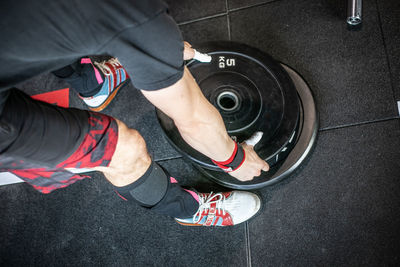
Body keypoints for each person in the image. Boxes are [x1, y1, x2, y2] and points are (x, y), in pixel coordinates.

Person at [0, 0, 269, 226]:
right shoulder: (133, 13)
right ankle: (187, 209)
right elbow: (194, 121)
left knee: (51, 35)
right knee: (124, 151)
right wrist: (234, 159)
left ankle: (93, 85)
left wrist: (161, 48)